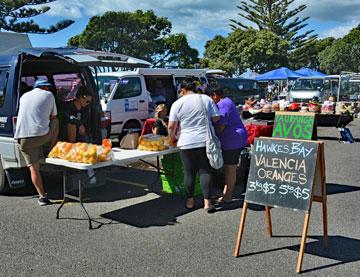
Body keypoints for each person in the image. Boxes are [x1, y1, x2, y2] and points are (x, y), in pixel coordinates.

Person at [168, 78, 221, 213]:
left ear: (184, 90)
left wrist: (173, 137)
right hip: (205, 140)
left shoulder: (177, 103)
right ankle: (207, 203)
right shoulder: (205, 99)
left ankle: (190, 202)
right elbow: (216, 118)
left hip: (186, 142)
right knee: (205, 171)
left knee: (189, 173)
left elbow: (171, 126)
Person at [14, 79, 59, 206]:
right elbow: (54, 116)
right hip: (41, 136)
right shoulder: (49, 95)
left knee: (34, 169)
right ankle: (51, 150)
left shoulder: (24, 96)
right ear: (44, 87)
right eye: (48, 88)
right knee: (56, 122)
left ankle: (42, 197)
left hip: (22, 139)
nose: (49, 90)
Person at [207, 83, 248, 204]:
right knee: (229, 168)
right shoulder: (227, 101)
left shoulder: (222, 104)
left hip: (232, 140)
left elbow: (221, 127)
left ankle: (228, 195)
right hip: (235, 138)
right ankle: (226, 192)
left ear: (214, 95)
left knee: (230, 168)